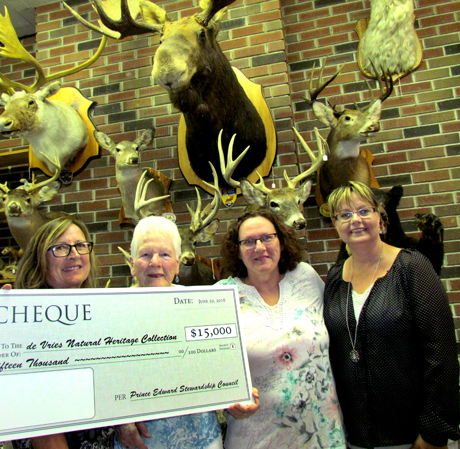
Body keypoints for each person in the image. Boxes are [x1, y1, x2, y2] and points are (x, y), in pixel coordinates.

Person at [323, 181, 460, 449]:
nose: (356, 221)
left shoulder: (411, 267)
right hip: (354, 438)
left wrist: (433, 432)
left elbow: (441, 352)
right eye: (345, 215)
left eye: (364, 211)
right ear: (336, 225)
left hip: (410, 437)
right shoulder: (335, 278)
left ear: (380, 219)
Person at [115, 216, 259, 449]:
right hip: (138, 441)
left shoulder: (200, 306)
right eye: (145, 255)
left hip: (201, 437)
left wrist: (236, 399)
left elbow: (219, 370)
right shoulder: (111, 312)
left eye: (165, 254)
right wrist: (118, 422)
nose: (155, 262)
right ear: (131, 263)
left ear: (177, 263)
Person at [216, 209, 346, 449]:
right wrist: (227, 400)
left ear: (282, 242)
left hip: (322, 434)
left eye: (267, 237)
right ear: (237, 251)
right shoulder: (221, 295)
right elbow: (210, 366)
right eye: (248, 242)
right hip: (256, 436)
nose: (259, 247)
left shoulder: (306, 277)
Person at [11, 215, 113, 449]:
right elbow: (37, 415)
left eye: (80, 246)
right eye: (60, 248)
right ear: (39, 260)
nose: (74, 254)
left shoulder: (96, 316)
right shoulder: (29, 323)